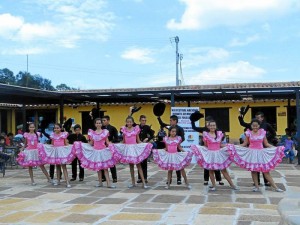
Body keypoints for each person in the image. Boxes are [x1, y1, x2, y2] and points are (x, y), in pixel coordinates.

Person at [229, 119, 284, 192]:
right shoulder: (248, 133)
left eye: (256, 126)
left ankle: (275, 187)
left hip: (261, 153)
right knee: (254, 171)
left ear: (259, 126)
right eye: (253, 126)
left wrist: (276, 148)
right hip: (252, 154)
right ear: (251, 126)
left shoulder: (262, 133)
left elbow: (266, 144)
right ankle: (256, 186)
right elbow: (244, 144)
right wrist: (234, 147)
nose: (255, 127)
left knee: (266, 170)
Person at [191, 120, 239, 191]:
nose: (212, 127)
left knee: (224, 170)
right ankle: (213, 185)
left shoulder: (219, 134)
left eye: (214, 125)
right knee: (211, 171)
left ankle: (232, 185)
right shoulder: (206, 134)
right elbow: (206, 145)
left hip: (219, 154)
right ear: (208, 126)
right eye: (211, 125)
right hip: (211, 154)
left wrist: (228, 146)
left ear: (216, 126)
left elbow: (220, 144)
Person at [111, 116, 152, 189]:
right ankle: (133, 183)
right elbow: (123, 141)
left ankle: (143, 183)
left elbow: (138, 140)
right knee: (131, 167)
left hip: (134, 149)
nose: (129, 123)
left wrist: (144, 145)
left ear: (133, 122)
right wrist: (116, 146)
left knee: (139, 166)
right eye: (128, 122)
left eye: (130, 122)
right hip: (128, 149)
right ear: (126, 122)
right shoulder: (124, 130)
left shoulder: (136, 130)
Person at [74, 118, 116, 188]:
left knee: (105, 168)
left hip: (103, 151)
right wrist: (82, 145)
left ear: (101, 124)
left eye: (99, 123)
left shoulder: (105, 132)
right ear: (95, 124)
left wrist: (112, 146)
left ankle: (108, 183)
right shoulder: (92, 133)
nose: (98, 124)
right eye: (97, 123)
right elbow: (91, 143)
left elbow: (107, 142)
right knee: (98, 168)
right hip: (96, 152)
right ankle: (100, 182)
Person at [238, 111, 276, 186]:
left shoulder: (266, 125)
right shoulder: (252, 125)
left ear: (262, 118)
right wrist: (240, 117)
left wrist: (268, 139)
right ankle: (257, 183)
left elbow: (273, 133)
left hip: (263, 148)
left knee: (264, 166)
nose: (257, 119)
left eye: (259, 117)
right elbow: (243, 124)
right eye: (256, 117)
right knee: (255, 167)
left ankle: (266, 181)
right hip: (253, 149)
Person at [190, 113, 224, 186]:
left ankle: (219, 179)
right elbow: (194, 128)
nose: (207, 123)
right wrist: (192, 121)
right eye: (206, 122)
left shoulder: (216, 130)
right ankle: (206, 180)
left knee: (216, 165)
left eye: (208, 122)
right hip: (206, 149)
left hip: (215, 150)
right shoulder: (204, 129)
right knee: (207, 165)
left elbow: (221, 137)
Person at [38, 123, 74, 188]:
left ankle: (67, 182)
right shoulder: (52, 135)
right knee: (57, 167)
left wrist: (71, 147)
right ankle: (58, 181)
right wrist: (45, 147)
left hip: (62, 152)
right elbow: (52, 144)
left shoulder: (63, 135)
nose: (56, 129)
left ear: (61, 128)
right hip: (56, 153)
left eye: (58, 128)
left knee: (64, 167)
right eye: (55, 128)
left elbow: (65, 144)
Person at [158, 115, 185, 185]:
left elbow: (183, 138)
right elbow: (162, 124)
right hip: (169, 149)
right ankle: (169, 180)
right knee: (170, 165)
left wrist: (176, 143)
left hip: (177, 149)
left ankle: (179, 179)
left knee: (178, 165)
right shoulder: (169, 127)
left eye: (171, 120)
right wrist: (158, 117)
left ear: (175, 121)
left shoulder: (180, 128)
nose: (170, 121)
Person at [136, 115, 154, 184]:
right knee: (138, 162)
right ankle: (140, 177)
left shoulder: (147, 127)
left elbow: (152, 134)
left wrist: (148, 138)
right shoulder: (137, 127)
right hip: (138, 146)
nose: (144, 122)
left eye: (145, 120)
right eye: (142, 120)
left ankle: (145, 177)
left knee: (144, 162)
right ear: (140, 120)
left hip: (144, 146)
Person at [101, 115, 118, 183]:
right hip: (102, 147)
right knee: (102, 162)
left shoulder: (112, 128)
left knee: (111, 162)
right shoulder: (101, 129)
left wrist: (111, 142)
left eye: (104, 120)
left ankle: (114, 177)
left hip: (109, 147)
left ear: (108, 120)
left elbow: (117, 138)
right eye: (102, 121)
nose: (103, 122)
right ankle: (103, 177)